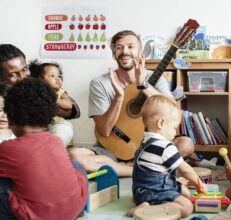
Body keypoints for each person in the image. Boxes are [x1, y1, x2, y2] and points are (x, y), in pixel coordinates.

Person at [69, 30, 194, 176]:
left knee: (186, 145)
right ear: (114, 53)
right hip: (112, 149)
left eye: (130, 46)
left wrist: (144, 86)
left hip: (150, 147)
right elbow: (103, 130)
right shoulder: (100, 83)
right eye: (119, 47)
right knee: (75, 156)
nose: (124, 51)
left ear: (141, 52)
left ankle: (119, 168)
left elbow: (172, 111)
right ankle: (142, 168)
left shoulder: (156, 80)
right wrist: (119, 97)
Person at [0, 78, 88, 220]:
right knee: (76, 166)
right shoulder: (56, 141)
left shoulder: (7, 149)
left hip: (35, 216)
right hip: (73, 209)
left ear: (10, 118)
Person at [128, 94, 207, 217]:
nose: (175, 133)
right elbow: (185, 169)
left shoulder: (144, 142)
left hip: (140, 193)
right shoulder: (166, 146)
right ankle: (151, 209)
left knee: (184, 191)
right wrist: (198, 183)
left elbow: (157, 171)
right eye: (174, 128)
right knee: (187, 206)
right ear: (161, 123)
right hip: (158, 193)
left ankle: (144, 203)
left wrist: (176, 181)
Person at [29, 60, 74, 147]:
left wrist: (55, 99)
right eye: (52, 76)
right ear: (40, 79)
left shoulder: (60, 92)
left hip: (56, 124)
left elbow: (69, 105)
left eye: (58, 75)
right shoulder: (35, 91)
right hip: (38, 126)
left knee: (58, 135)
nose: (57, 78)